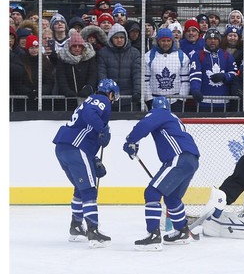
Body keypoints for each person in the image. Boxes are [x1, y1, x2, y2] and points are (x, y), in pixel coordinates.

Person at [123, 96, 200, 251]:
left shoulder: (160, 113)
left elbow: (144, 125)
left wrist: (131, 141)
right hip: (191, 160)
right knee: (172, 198)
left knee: (152, 192)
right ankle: (181, 231)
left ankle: (153, 235)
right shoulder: (174, 118)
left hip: (179, 158)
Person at [53, 78, 119, 248]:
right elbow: (91, 114)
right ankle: (93, 232)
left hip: (63, 147)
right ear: (110, 93)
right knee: (89, 190)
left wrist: (93, 159)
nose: (112, 99)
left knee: (81, 189)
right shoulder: (102, 99)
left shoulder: (89, 99)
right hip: (76, 148)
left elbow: (84, 124)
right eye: (113, 96)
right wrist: (103, 129)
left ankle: (76, 226)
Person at [189, 28, 238, 112]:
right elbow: (195, 74)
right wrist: (195, 89)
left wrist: (225, 76)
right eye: (210, 39)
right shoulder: (198, 55)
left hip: (224, 102)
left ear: (219, 40)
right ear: (205, 40)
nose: (212, 41)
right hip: (204, 102)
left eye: (215, 39)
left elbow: (234, 73)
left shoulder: (226, 55)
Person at [97, 23, 141, 111]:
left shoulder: (134, 52)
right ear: (111, 39)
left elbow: (137, 74)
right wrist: (105, 91)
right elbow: (101, 73)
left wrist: (137, 92)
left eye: (122, 37)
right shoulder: (103, 53)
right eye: (116, 38)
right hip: (108, 98)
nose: (119, 40)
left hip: (128, 99)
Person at [144, 28, 190, 112]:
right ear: (158, 41)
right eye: (163, 41)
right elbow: (145, 81)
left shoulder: (182, 57)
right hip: (155, 101)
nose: (166, 43)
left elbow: (185, 81)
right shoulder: (148, 56)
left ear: (172, 41)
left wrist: (181, 100)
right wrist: (149, 99)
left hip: (175, 101)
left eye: (168, 40)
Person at [55, 30, 97, 109]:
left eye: (79, 46)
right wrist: (66, 90)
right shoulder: (62, 58)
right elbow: (61, 76)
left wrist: (89, 87)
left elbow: (93, 74)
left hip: (87, 98)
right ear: (70, 47)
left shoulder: (90, 58)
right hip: (67, 100)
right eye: (74, 46)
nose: (77, 48)